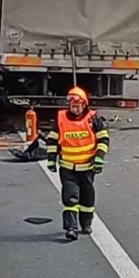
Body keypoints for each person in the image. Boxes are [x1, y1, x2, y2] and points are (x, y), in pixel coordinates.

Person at [45, 86, 109, 242]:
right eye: (72, 106)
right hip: (67, 167)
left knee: (87, 198)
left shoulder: (94, 119)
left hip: (87, 168)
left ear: (84, 105)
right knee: (70, 198)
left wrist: (99, 158)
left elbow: (103, 139)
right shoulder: (61, 119)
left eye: (77, 106)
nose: (74, 108)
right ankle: (71, 228)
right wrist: (51, 158)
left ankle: (86, 223)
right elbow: (52, 140)